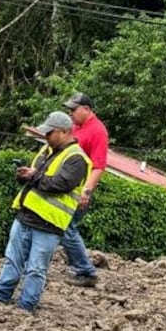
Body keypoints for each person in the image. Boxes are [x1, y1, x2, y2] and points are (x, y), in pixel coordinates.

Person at [0, 111, 91, 313]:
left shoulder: (77, 159)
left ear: (63, 132)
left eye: (49, 133)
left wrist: (33, 176)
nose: (45, 136)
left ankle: (26, 308)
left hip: (49, 224)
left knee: (36, 269)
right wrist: (24, 175)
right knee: (12, 260)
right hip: (25, 216)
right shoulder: (47, 150)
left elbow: (60, 184)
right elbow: (36, 177)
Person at [59, 92, 109, 287]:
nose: (70, 113)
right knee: (59, 227)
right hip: (66, 186)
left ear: (86, 109)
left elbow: (98, 166)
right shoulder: (74, 127)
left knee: (66, 228)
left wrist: (86, 191)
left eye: (74, 109)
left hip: (79, 190)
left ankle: (86, 271)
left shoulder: (98, 131)